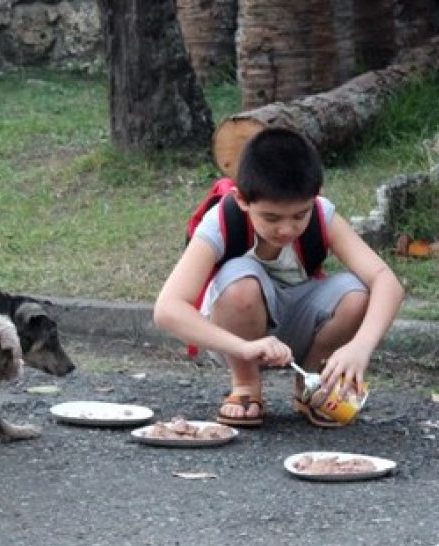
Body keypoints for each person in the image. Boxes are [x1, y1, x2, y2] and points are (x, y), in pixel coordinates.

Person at [153, 127, 405, 428]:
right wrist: (244, 348)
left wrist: (361, 346)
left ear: (316, 196)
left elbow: (386, 281)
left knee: (357, 294)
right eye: (271, 218)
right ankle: (246, 385)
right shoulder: (221, 222)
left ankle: (312, 382)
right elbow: (167, 310)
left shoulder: (323, 215)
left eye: (300, 215)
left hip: (299, 328)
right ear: (243, 200)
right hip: (235, 338)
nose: (286, 229)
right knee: (240, 282)